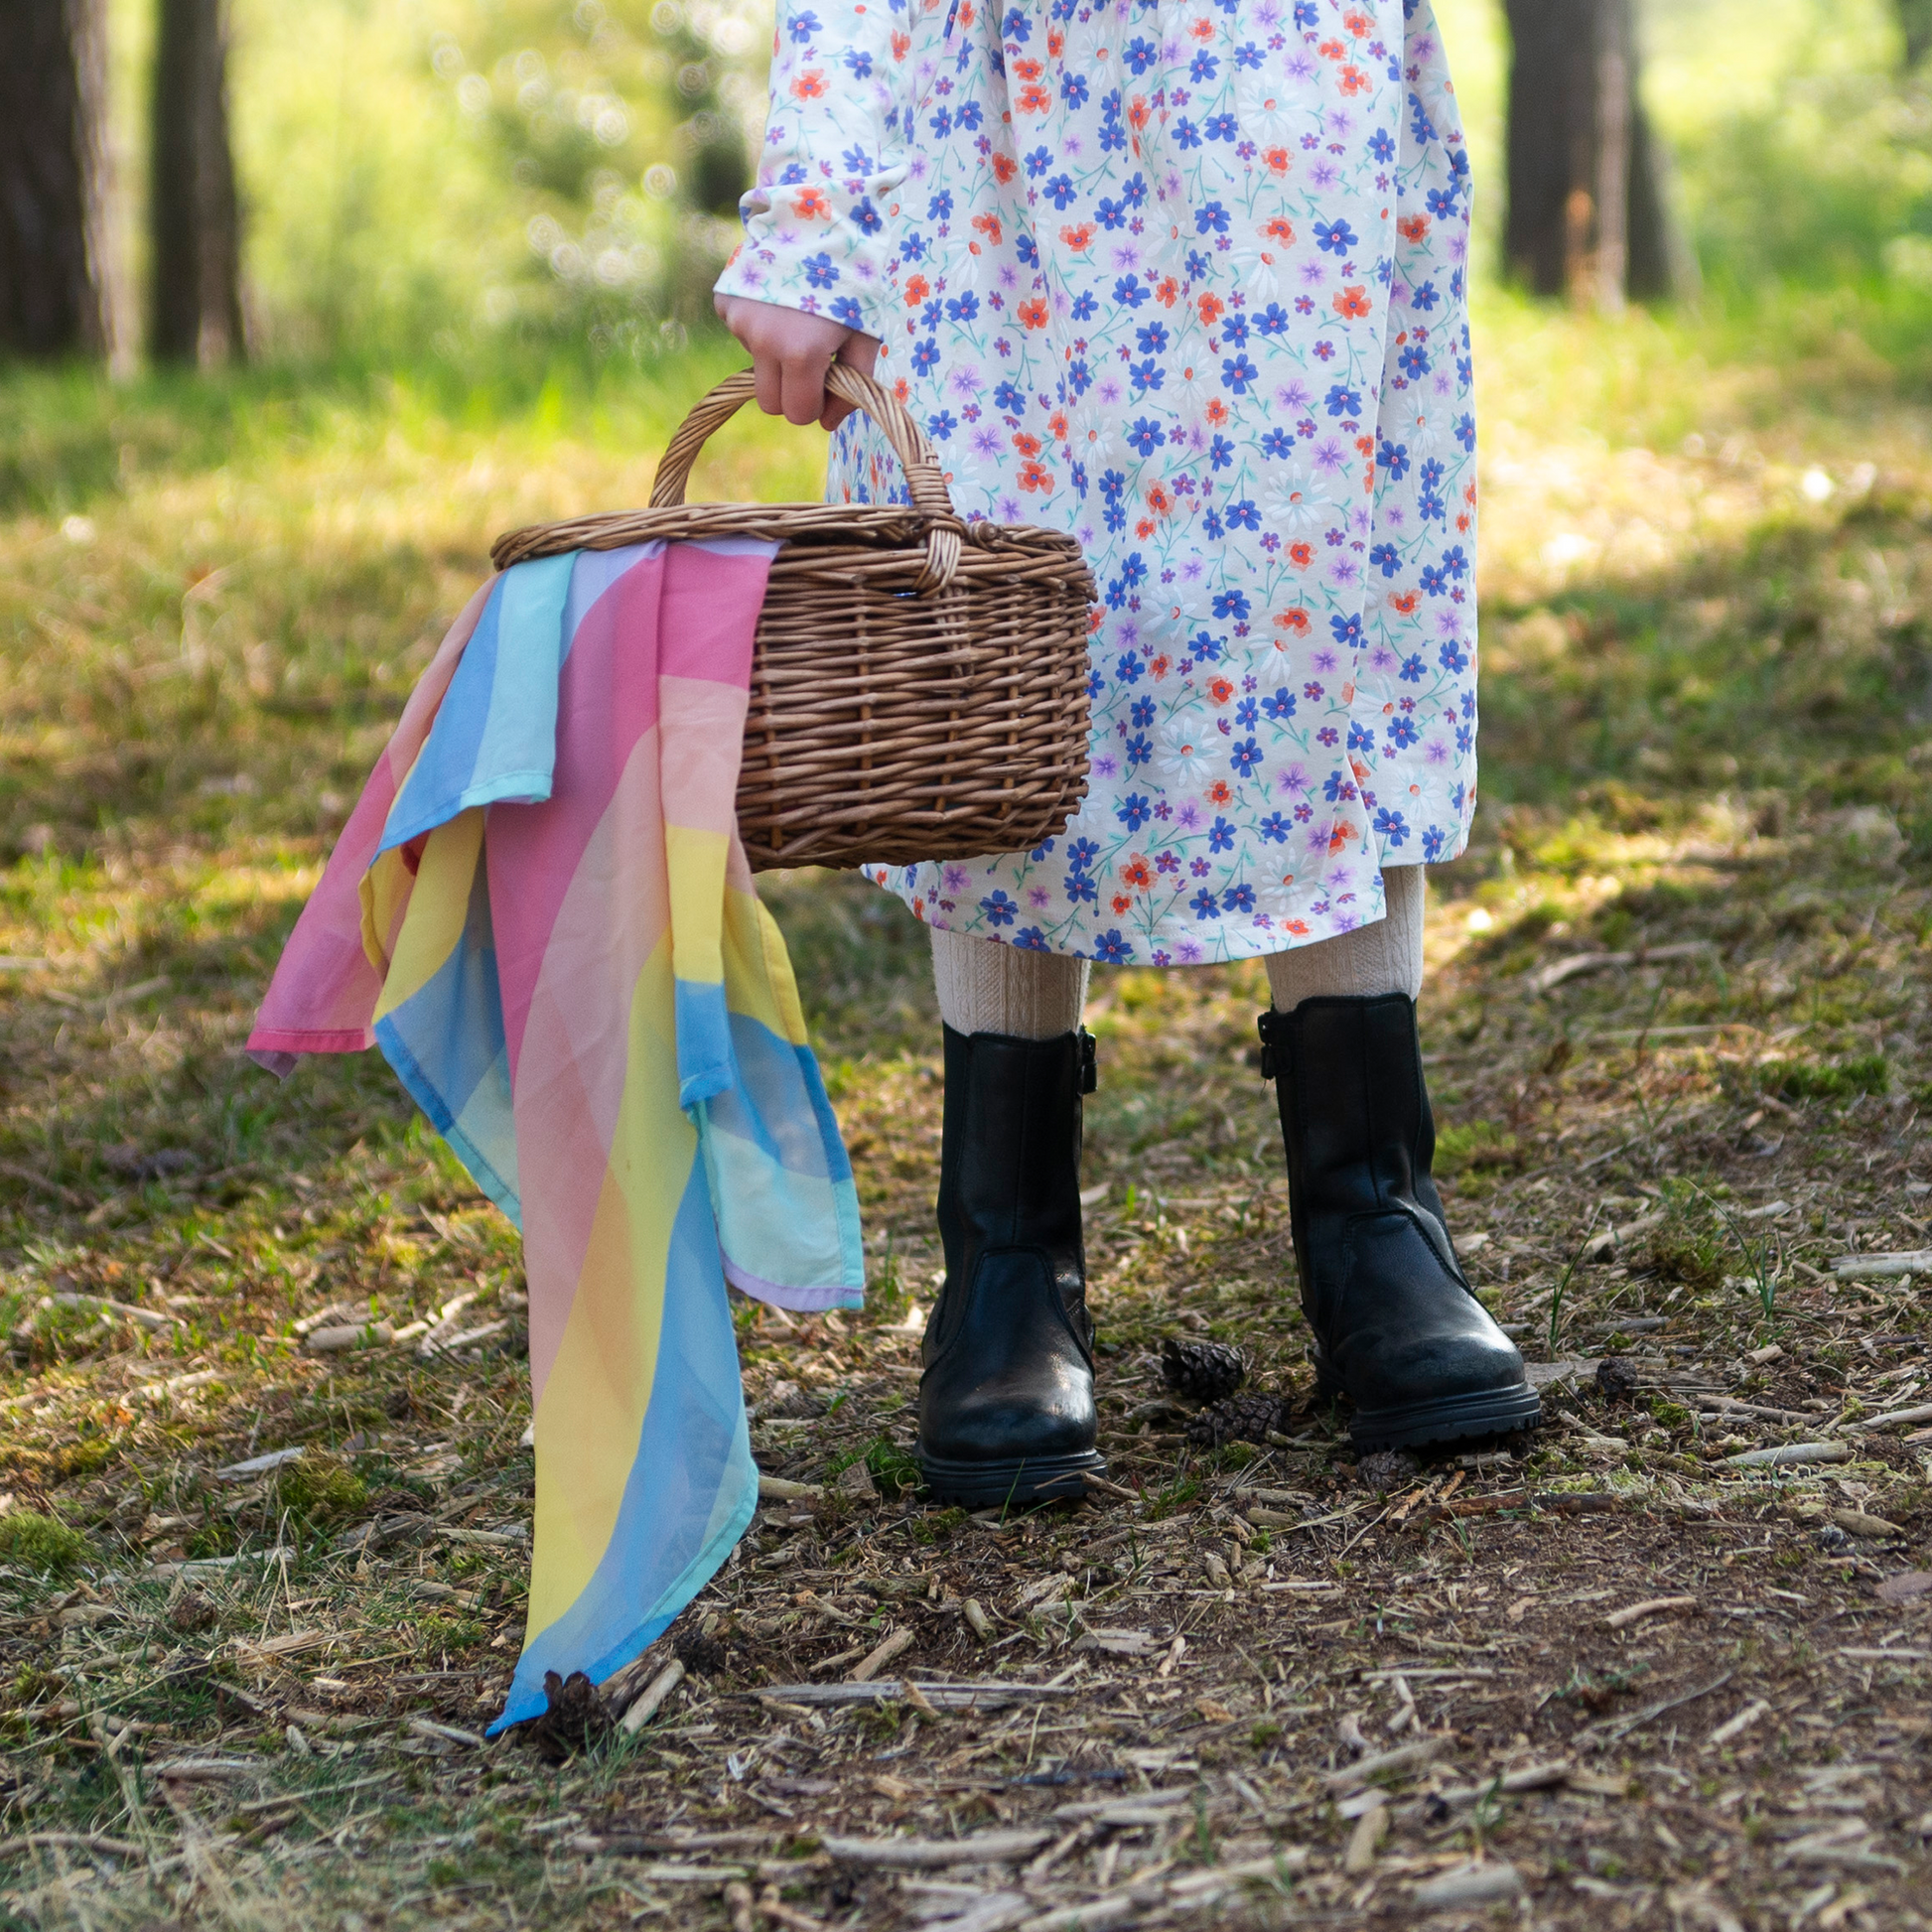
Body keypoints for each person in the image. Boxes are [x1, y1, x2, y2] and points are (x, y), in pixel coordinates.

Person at [714, 0, 1538, 1506]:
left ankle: (1373, 1224)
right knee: (1009, 630)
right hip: (1007, 136)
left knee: (1317, 603)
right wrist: (815, 210)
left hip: (1303, 101)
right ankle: (1007, 1259)